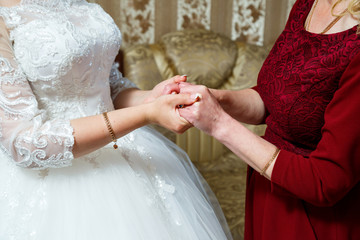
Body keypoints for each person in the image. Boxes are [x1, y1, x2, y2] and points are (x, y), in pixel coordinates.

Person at [0, 0, 232, 239]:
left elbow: (109, 89)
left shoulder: (79, 3)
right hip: (55, 181)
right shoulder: (4, 17)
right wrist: (147, 113)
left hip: (126, 158)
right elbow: (25, 143)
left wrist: (152, 99)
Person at [177, 0, 360, 239]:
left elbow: (326, 181)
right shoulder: (308, 4)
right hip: (269, 190)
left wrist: (219, 123)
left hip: (316, 217)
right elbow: (274, 100)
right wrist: (214, 98)